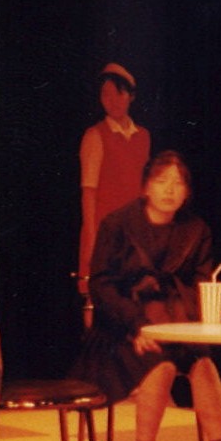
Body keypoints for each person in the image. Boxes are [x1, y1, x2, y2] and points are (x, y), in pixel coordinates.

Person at [75, 150, 221, 441]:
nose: (169, 189)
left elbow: (201, 283)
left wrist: (184, 322)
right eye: (161, 181)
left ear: (187, 192)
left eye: (178, 183)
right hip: (120, 329)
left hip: (177, 323)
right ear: (145, 188)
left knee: (203, 362)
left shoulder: (196, 229)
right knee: (161, 363)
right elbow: (101, 285)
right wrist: (136, 324)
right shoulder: (117, 224)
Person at [78, 63, 151, 300]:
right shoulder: (95, 135)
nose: (112, 100)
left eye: (119, 93)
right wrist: (91, 239)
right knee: (102, 298)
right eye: (105, 94)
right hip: (104, 230)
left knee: (136, 299)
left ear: (131, 96)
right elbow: (89, 192)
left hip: (135, 231)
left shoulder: (143, 136)